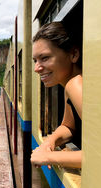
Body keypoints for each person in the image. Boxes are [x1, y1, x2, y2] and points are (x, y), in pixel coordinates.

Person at [31, 22, 82, 169]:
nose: (36, 68)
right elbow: (68, 127)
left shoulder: (76, 85)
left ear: (73, 54)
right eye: (35, 60)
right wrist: (50, 142)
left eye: (45, 58)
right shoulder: (69, 87)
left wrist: (49, 156)